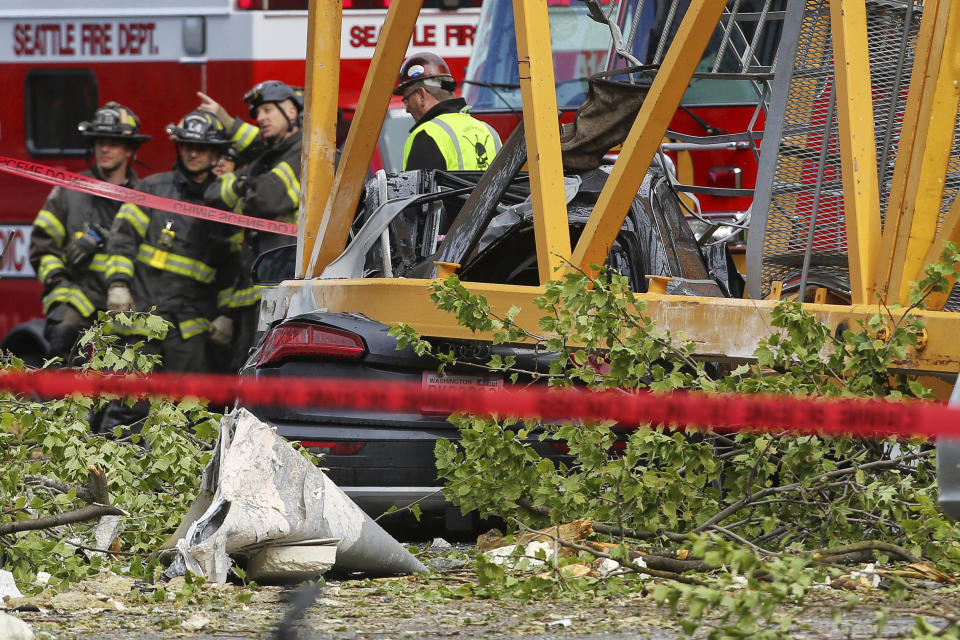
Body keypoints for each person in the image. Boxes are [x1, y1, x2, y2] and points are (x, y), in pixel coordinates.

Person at [104, 110, 240, 373]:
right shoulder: (152, 190)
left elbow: (232, 267)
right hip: (142, 321)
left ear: (216, 153)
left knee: (188, 407)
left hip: (191, 328)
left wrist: (227, 315)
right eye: (188, 146)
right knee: (129, 406)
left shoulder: (225, 204)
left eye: (201, 148)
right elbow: (123, 240)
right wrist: (118, 285)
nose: (193, 154)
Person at [29, 102, 150, 362]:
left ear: (130, 149)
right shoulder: (70, 191)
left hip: (125, 300)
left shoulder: (146, 197)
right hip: (78, 296)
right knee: (63, 343)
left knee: (131, 373)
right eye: (99, 142)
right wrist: (60, 283)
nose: (104, 149)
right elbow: (41, 246)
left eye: (113, 142)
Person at [198, 81, 303, 370]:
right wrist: (224, 117)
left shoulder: (306, 152)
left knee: (266, 369)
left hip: (285, 289)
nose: (261, 118)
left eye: (269, 110)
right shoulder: (273, 152)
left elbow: (268, 198)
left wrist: (236, 183)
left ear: (292, 111)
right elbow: (214, 195)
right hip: (258, 289)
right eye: (258, 113)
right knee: (247, 368)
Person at [395, 53, 501, 171]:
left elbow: (413, 189)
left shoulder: (426, 135)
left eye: (406, 100)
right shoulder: (489, 132)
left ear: (421, 95)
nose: (407, 109)